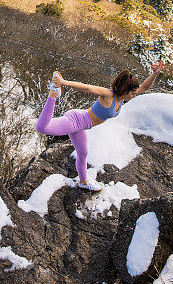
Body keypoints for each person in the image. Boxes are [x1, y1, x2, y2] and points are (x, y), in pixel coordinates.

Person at [35, 61, 165, 192]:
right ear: (125, 91)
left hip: (81, 126)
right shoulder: (108, 95)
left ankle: (83, 182)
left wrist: (155, 73)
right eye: (133, 93)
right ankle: (53, 93)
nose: (135, 95)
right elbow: (86, 88)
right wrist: (63, 83)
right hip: (75, 121)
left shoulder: (122, 99)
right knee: (41, 128)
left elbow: (144, 87)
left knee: (83, 153)